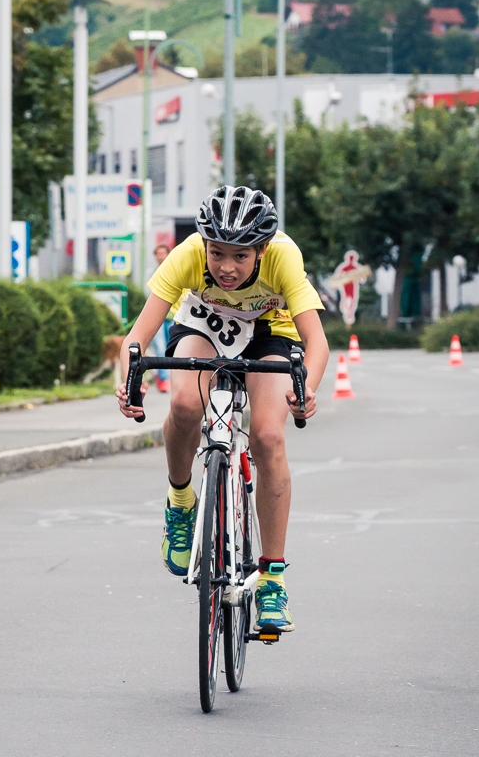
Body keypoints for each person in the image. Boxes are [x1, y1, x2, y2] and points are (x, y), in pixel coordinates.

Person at [117, 185, 329, 633]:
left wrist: (306, 388)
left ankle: (272, 579)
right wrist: (129, 381)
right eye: (217, 254)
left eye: (240, 256)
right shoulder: (187, 254)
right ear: (205, 245)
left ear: (262, 250)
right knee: (184, 403)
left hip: (270, 332)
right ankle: (181, 502)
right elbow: (136, 338)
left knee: (268, 436)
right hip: (204, 325)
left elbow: (317, 342)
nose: (226, 267)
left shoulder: (284, 257)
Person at [149, 241, 173, 392]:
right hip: (156, 316)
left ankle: (167, 376)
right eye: (158, 254)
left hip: (172, 316)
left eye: (163, 253)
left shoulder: (174, 270)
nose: (161, 256)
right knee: (159, 347)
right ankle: (164, 379)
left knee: (172, 347)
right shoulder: (151, 273)